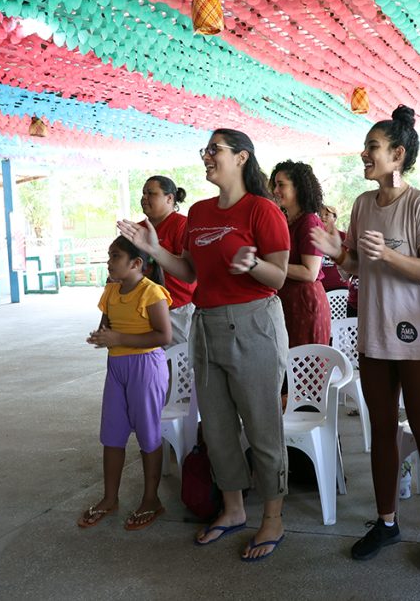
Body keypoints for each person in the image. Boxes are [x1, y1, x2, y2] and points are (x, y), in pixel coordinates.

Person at [118, 128, 290, 562]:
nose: (207, 157)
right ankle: (232, 509)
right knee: (215, 425)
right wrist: (152, 249)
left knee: (262, 424)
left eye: (216, 150)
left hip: (253, 323)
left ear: (242, 158)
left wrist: (252, 264)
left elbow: (279, 277)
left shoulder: (262, 210)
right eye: (206, 150)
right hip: (207, 323)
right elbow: (190, 272)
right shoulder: (198, 211)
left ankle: (272, 516)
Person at [310, 105, 420, 572]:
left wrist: (387, 258)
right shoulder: (362, 204)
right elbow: (355, 266)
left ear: (397, 154)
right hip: (373, 335)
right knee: (382, 431)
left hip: (418, 337)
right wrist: (336, 252)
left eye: (372, 147)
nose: (363, 155)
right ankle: (387, 521)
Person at [77, 236, 172, 531]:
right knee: (112, 435)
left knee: (148, 435)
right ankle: (109, 498)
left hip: (146, 367)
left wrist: (119, 339)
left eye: (114, 256)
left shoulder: (151, 292)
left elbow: (164, 337)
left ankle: (150, 499)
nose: (109, 262)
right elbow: (107, 325)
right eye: (108, 256)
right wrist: (102, 336)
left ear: (136, 263)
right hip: (117, 367)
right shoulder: (111, 291)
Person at [271, 160, 330, 348]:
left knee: (303, 370)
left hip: (305, 304)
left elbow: (309, 272)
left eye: (281, 185)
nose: (275, 191)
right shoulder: (287, 221)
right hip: (287, 302)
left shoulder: (309, 221)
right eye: (275, 185)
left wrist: (268, 266)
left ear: (299, 188)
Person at [140, 176, 196, 346]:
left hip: (177, 308)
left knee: (180, 366)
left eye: (151, 193)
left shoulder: (183, 225)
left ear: (169, 198)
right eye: (143, 194)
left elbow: (189, 270)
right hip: (144, 308)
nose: (144, 198)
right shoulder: (138, 229)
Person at [319, 205, 349, 292]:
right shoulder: (317, 236)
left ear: (335, 218)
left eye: (327, 214)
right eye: (320, 215)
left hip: (340, 287)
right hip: (321, 287)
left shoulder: (343, 237)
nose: (323, 217)